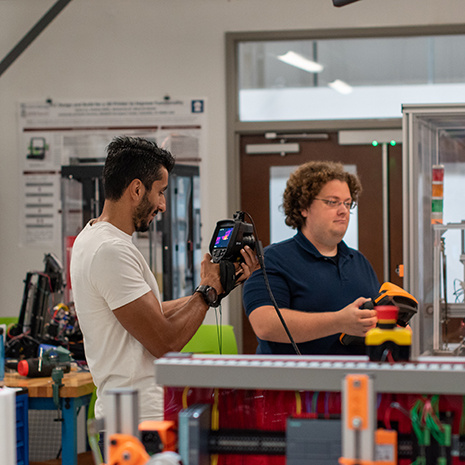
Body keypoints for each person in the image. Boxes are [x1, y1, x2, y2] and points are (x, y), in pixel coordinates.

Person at [70, 136, 258, 424]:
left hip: (133, 413)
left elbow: (149, 315)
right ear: (136, 189)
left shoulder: (92, 238)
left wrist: (216, 288)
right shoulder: (111, 250)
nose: (163, 204)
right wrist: (207, 293)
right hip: (139, 418)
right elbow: (165, 343)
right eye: (160, 192)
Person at [243, 160, 379, 355]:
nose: (343, 211)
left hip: (354, 382)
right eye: (332, 202)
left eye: (347, 204)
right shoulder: (272, 259)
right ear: (303, 207)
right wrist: (339, 322)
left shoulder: (359, 262)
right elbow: (265, 324)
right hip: (294, 383)